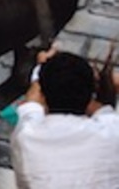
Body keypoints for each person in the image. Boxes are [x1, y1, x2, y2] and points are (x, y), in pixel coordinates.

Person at [10, 46, 119, 188]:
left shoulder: (26, 134)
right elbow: (103, 110)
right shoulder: (112, 131)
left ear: (44, 96)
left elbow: (33, 98)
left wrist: (41, 67)